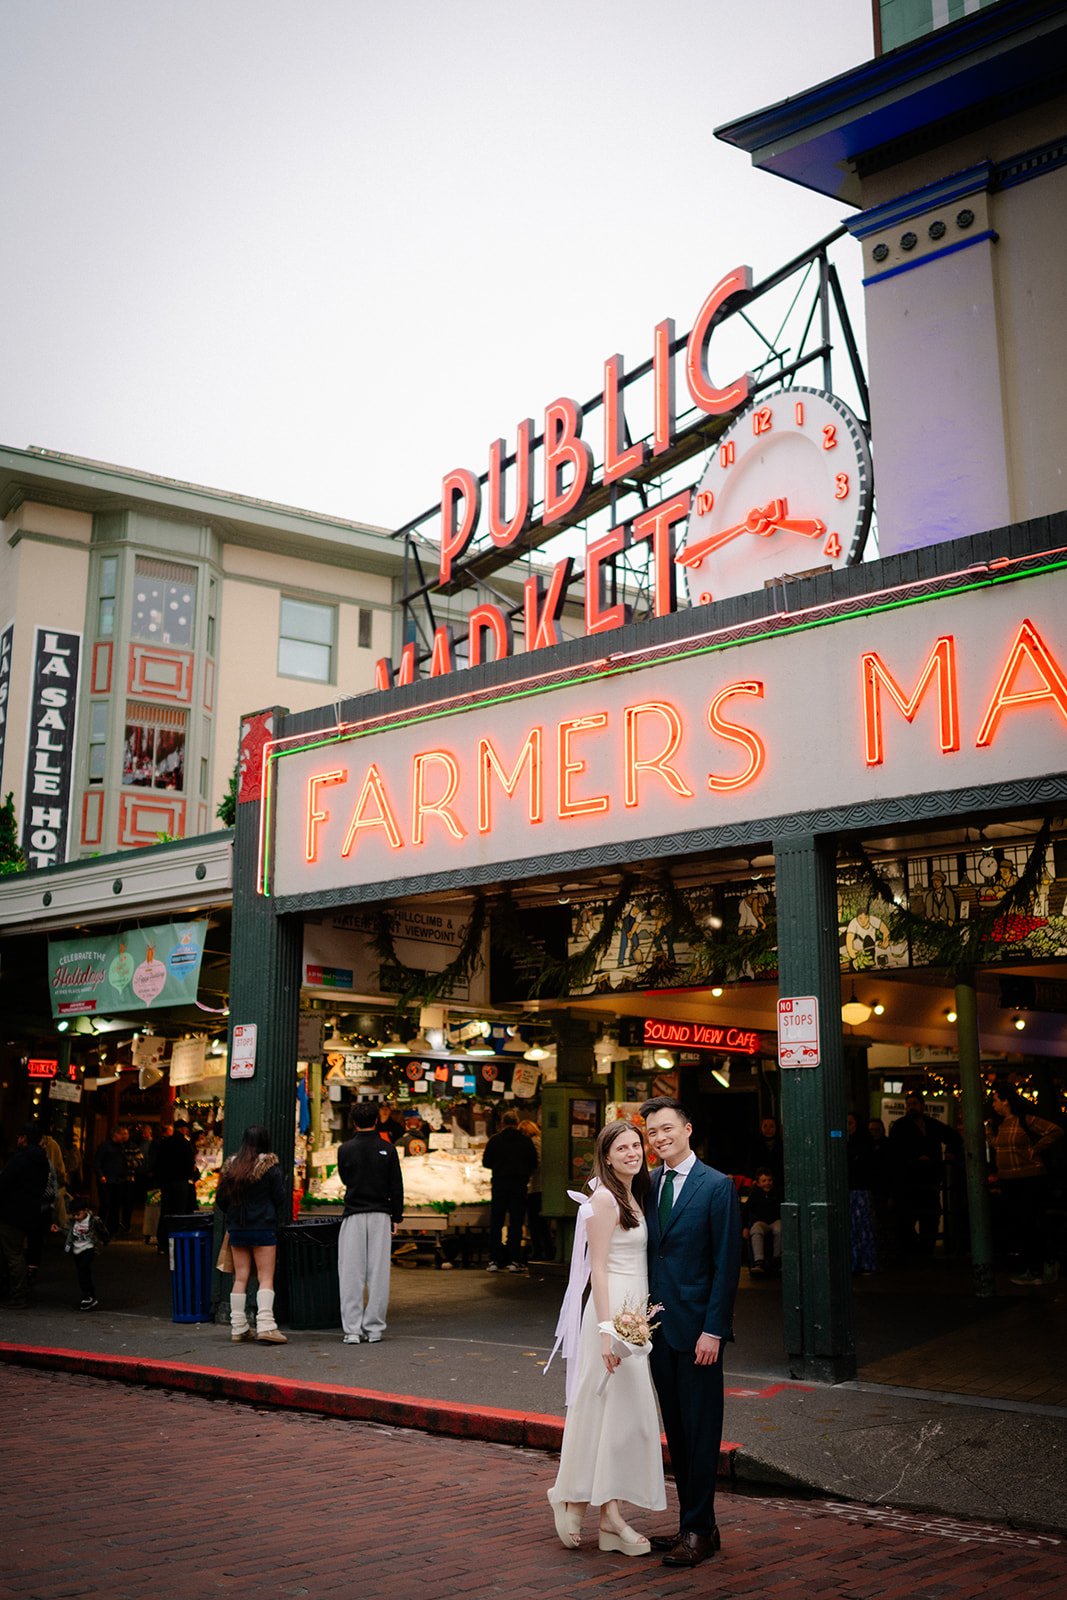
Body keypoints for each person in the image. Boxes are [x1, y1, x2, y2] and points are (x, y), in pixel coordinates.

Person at [546, 1121, 664, 1557]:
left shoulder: (634, 1194)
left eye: (637, 1145)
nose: (633, 1152)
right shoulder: (603, 1199)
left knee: (621, 1417)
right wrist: (605, 1332)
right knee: (602, 1410)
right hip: (611, 1319)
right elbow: (597, 1269)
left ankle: (598, 1508)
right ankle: (578, 1498)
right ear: (607, 1156)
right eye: (623, 1148)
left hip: (634, 1316)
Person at [641, 1095, 741, 1570]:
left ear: (687, 1129)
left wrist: (714, 1331)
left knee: (702, 1434)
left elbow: (727, 1266)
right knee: (678, 1434)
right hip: (658, 1330)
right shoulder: (649, 1184)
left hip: (699, 1332)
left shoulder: (716, 1186)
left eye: (666, 1129)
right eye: (652, 1133)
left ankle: (699, 1530)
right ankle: (695, 1524)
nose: (659, 1139)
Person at [337, 1101, 404, 1344]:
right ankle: (374, 1328)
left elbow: (346, 1179)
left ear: (354, 1122)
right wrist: (396, 1216)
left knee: (351, 1273)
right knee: (378, 1273)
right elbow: (396, 1186)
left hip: (353, 1214)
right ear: (377, 1120)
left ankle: (352, 1329)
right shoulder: (388, 1148)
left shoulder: (344, 1150)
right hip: (380, 1214)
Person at [216, 1125, 288, 1344]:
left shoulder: (232, 1167)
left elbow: (221, 1200)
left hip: (237, 1228)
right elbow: (280, 1197)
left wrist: (236, 1214)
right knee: (265, 1278)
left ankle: (238, 1327)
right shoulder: (271, 1168)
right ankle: (266, 1325)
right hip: (263, 1227)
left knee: (240, 1277)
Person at [987, 1082, 1063, 1286]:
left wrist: (1034, 1149)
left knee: (1030, 1222)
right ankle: (1035, 1267)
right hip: (1010, 1179)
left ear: (1006, 1101)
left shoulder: (1025, 1120)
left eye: (995, 1100)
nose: (993, 1104)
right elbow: (997, 1146)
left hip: (1029, 1178)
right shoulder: (1000, 1125)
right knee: (1020, 1223)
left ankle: (1038, 1267)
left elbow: (1055, 1131)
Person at [887, 1093, 951, 1255]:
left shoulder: (932, 1125)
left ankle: (926, 1250)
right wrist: (914, 1159)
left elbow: (953, 1137)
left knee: (930, 1218)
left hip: (930, 1178)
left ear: (922, 1106)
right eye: (908, 1104)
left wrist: (950, 1153)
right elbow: (894, 1152)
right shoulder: (900, 1126)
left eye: (914, 1103)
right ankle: (912, 1251)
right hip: (909, 1179)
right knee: (907, 1218)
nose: (911, 1107)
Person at [0, 1124, 51, 1307]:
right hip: (30, 1210)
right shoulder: (42, 1159)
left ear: (24, 1138)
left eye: (19, 1136)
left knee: (12, 1253)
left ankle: (17, 1294)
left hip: (11, 1211)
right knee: (16, 1251)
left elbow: (5, 1182)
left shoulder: (20, 1158)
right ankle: (15, 1290)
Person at [482, 1109, 537, 1271]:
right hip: (519, 1185)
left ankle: (494, 1260)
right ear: (516, 1123)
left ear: (502, 1123)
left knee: (496, 1222)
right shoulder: (525, 1141)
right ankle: (514, 1260)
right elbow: (533, 1163)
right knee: (516, 1222)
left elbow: (486, 1162)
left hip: (499, 1184)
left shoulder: (495, 1140)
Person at [154, 1122, 199, 1256]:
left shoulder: (165, 1143)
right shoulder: (185, 1144)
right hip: (180, 1182)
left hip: (166, 1182)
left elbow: (158, 1163)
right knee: (180, 1212)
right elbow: (190, 1164)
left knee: (166, 1211)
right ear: (183, 1129)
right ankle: (178, 1242)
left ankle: (163, 1243)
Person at [64, 1195, 109, 1311]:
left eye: (78, 1214)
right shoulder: (73, 1222)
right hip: (76, 1249)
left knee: (84, 1268)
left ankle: (88, 1296)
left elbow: (103, 1230)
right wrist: (58, 1230)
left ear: (85, 1210)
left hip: (89, 1247)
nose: (76, 1217)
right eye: (73, 1215)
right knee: (81, 1273)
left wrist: (105, 1240)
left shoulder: (93, 1220)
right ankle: (90, 1295)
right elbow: (69, 1233)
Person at [846, 1114, 878, 1273]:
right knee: (855, 1228)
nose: (847, 1127)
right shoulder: (852, 1142)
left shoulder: (861, 1143)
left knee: (861, 1227)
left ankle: (861, 1261)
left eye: (850, 1123)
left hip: (860, 1189)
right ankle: (860, 1261)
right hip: (855, 1189)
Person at [519, 1118, 552, 1260]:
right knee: (542, 1222)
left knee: (535, 1222)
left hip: (535, 1187)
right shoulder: (543, 1141)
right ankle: (546, 1249)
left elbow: (535, 1164)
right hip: (544, 1187)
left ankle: (539, 1250)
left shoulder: (533, 1143)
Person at [94, 1125, 133, 1236]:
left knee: (115, 1206)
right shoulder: (105, 1146)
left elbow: (123, 1163)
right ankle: (100, 1228)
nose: (123, 1136)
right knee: (105, 1204)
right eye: (121, 1134)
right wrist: (101, 1175)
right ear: (115, 1134)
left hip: (118, 1180)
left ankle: (112, 1229)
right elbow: (97, 1162)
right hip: (107, 1180)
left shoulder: (120, 1147)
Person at [742, 1168, 781, 1276]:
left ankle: (777, 1259)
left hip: (775, 1221)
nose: (767, 1183)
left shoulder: (777, 1193)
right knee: (756, 1229)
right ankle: (758, 1262)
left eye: (769, 1180)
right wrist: (745, 1227)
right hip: (761, 1222)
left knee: (779, 1228)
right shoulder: (755, 1194)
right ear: (758, 1183)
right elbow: (746, 1211)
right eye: (764, 1181)